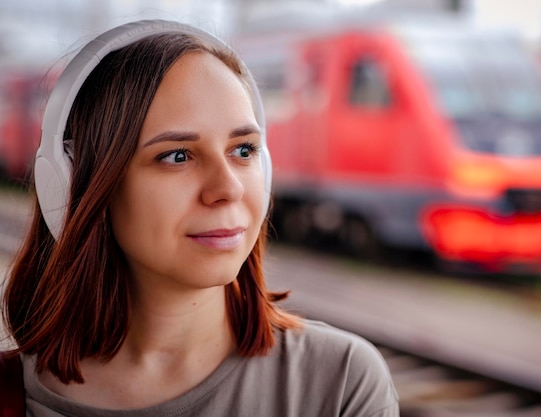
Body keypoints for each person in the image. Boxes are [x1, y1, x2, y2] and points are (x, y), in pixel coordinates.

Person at [0, 20, 399, 416]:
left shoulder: (343, 383)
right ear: (73, 187)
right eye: (177, 156)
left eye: (243, 150)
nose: (228, 188)